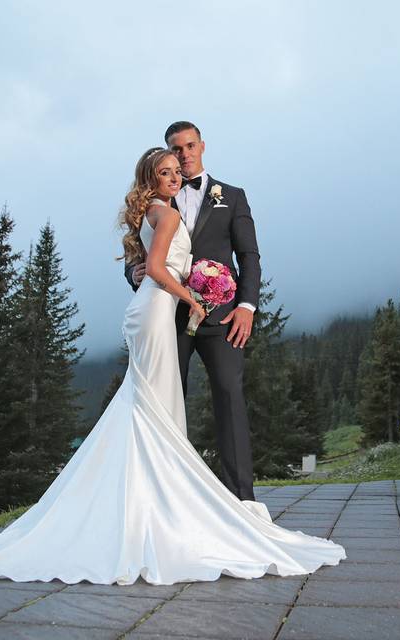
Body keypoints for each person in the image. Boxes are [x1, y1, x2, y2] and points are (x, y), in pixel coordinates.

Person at [0, 147, 346, 586]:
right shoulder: (164, 211)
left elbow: (243, 253)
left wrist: (231, 297)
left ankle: (159, 499)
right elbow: (149, 266)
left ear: (199, 148)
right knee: (156, 405)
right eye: (165, 169)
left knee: (151, 402)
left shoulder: (195, 201)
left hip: (172, 310)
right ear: (152, 177)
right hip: (160, 310)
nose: (175, 174)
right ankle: (156, 505)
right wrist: (190, 294)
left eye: (178, 165)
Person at [125, 121, 258, 501]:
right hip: (169, 315)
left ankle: (242, 500)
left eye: (189, 146)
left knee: (230, 395)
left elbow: (249, 256)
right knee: (163, 399)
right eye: (175, 149)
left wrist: (246, 306)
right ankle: (165, 495)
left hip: (223, 318)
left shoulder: (231, 196)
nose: (183, 155)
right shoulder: (158, 200)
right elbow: (141, 254)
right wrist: (135, 273)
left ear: (202, 146)